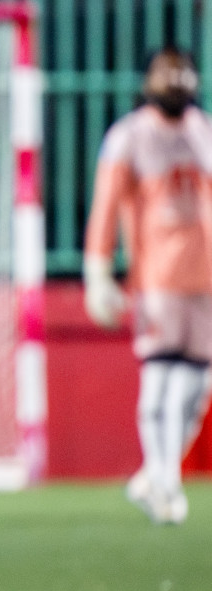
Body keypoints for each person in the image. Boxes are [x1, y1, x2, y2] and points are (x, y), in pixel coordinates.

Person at [84, 48, 212, 525]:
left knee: (196, 391)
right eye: (166, 72)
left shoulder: (205, 132)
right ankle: (165, 482)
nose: (176, 80)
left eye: (183, 71)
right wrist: (98, 273)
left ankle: (156, 476)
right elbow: (105, 205)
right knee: (160, 381)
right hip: (158, 279)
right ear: (148, 80)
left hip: (207, 280)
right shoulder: (129, 136)